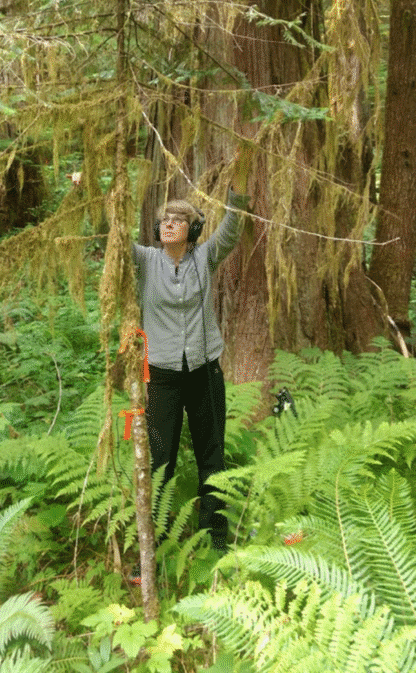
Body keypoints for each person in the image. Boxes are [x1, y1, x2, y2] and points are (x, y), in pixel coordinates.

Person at [131, 157, 251, 552]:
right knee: (161, 460)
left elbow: (232, 229)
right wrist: (90, 197)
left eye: (178, 220)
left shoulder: (204, 258)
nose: (168, 224)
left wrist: (239, 187)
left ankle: (216, 540)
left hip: (205, 371)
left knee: (211, 455)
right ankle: (158, 544)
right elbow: (109, 240)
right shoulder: (146, 262)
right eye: (164, 220)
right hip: (161, 375)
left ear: (193, 229)